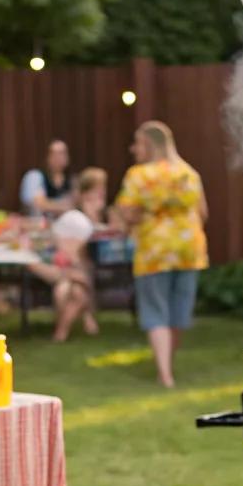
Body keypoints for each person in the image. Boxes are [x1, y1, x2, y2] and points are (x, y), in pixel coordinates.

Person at [113, 120, 208, 388]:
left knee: (156, 310)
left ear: (150, 145)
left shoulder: (140, 175)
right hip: (190, 250)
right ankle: (168, 365)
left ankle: (164, 374)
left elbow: (127, 212)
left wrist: (141, 215)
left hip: (154, 251)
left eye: (137, 143)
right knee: (178, 311)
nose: (133, 149)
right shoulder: (189, 173)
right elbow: (203, 213)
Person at [29, 168, 107, 341]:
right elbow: (67, 251)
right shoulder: (74, 217)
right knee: (73, 290)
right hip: (67, 267)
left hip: (73, 268)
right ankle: (69, 328)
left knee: (68, 290)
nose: (102, 192)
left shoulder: (87, 213)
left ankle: (61, 331)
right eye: (99, 189)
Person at [20, 140, 73, 218]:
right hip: (37, 226)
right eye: (53, 153)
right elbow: (38, 204)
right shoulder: (35, 176)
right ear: (47, 157)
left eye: (61, 153)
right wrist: (63, 206)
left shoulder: (71, 181)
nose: (58, 157)